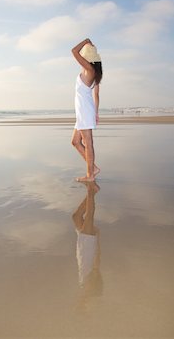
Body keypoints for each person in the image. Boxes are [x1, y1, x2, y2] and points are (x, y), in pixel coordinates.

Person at [71, 38, 103, 182]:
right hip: (84, 111)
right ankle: (93, 168)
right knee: (75, 142)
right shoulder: (93, 72)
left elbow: (73, 51)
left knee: (88, 143)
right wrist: (96, 113)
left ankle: (90, 175)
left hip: (84, 111)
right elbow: (96, 95)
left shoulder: (90, 69)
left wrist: (85, 41)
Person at [72, 181, 103, 312]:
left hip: (83, 245)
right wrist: (96, 239)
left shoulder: (83, 282)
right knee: (89, 216)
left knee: (76, 217)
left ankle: (93, 191)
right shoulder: (90, 278)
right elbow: (96, 261)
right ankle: (90, 188)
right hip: (87, 245)